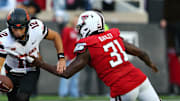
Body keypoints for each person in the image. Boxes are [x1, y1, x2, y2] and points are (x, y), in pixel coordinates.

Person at [31, 10, 160, 101]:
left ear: (89, 26)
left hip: (123, 88)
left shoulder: (87, 46)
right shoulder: (113, 36)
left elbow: (66, 73)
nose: (79, 29)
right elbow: (142, 53)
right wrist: (151, 64)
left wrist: (40, 63)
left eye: (81, 26)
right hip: (141, 80)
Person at [0, 8, 66, 101]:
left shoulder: (37, 27)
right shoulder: (3, 40)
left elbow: (55, 36)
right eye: (15, 28)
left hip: (31, 70)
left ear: (27, 26)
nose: (18, 32)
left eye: (21, 28)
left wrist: (61, 58)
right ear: (9, 26)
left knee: (22, 98)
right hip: (11, 72)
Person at [58, 15, 80, 97]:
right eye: (76, 20)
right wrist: (64, 55)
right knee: (65, 76)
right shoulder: (67, 30)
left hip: (77, 58)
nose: (77, 22)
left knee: (75, 77)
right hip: (68, 57)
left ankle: (74, 94)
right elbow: (63, 43)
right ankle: (63, 93)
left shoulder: (80, 31)